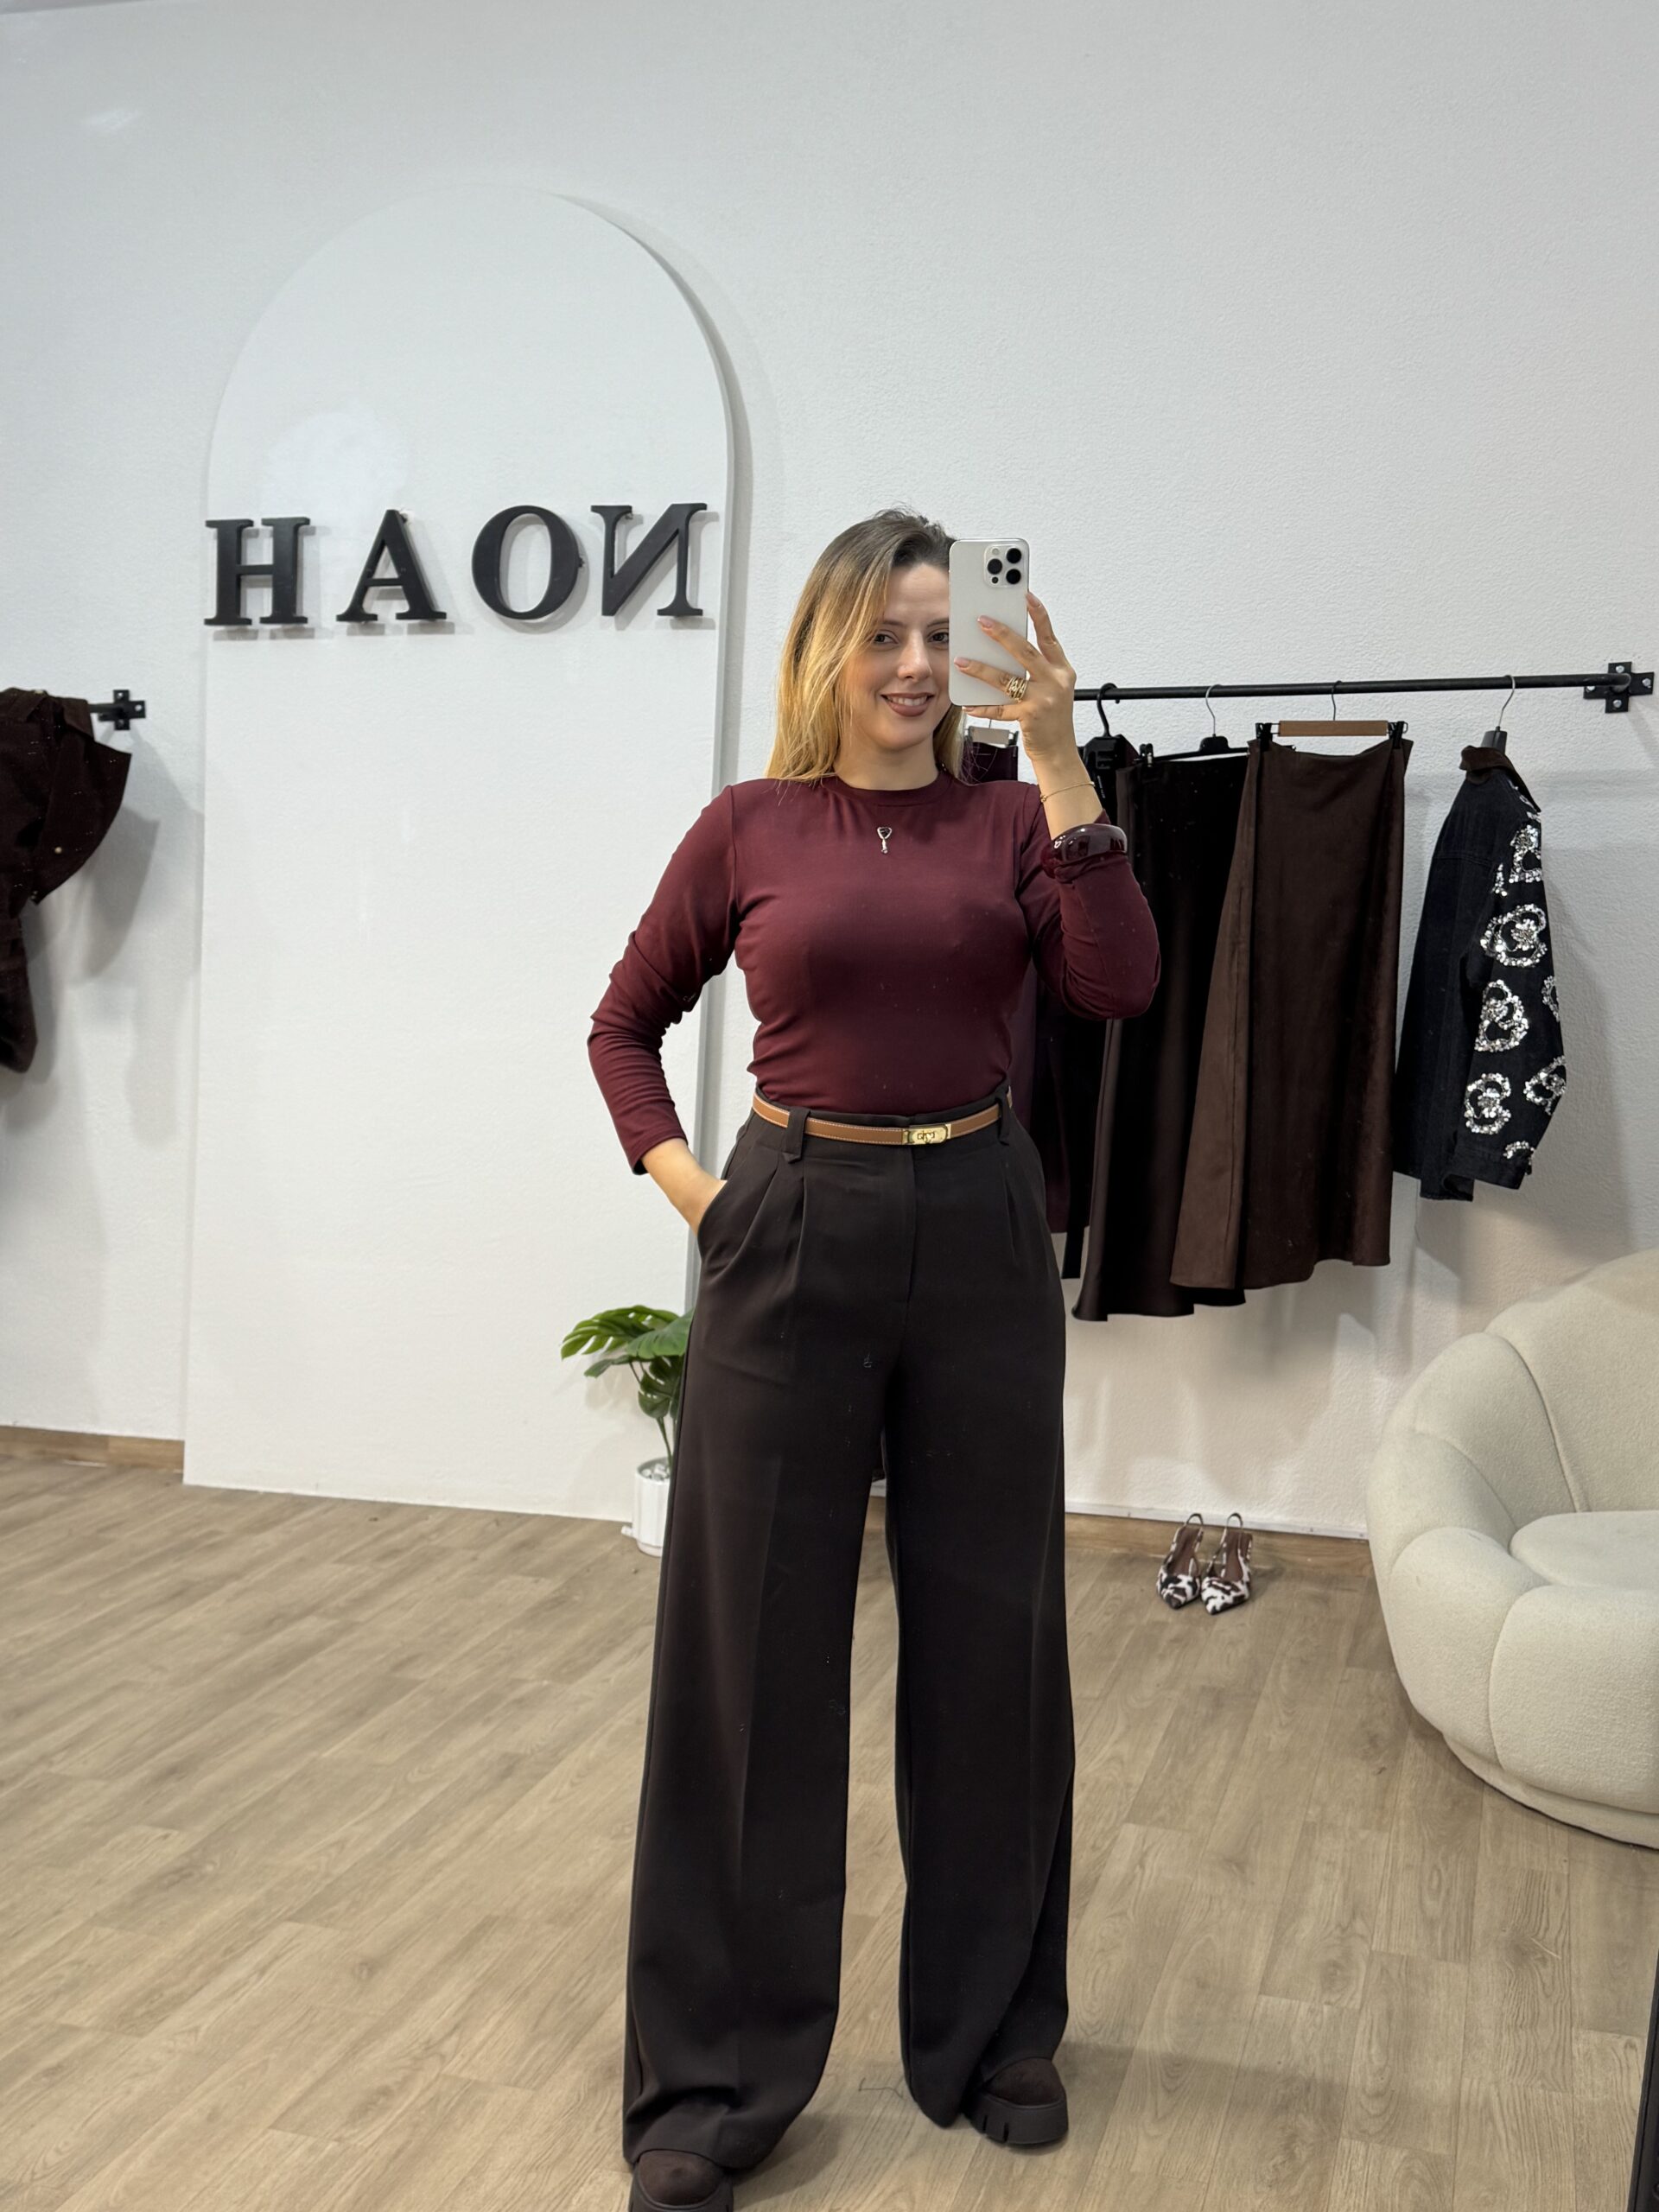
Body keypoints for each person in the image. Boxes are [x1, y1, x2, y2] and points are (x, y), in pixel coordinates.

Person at [587, 508, 1161, 2212]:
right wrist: (703, 1198)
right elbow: (623, 1023)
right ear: (828, 646)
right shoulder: (749, 825)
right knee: (747, 1662)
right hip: (791, 1219)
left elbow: (1118, 985)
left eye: (940, 634)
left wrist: (1058, 759)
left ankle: (992, 2035)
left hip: (978, 1219)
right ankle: (712, 2082)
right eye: (886, 634)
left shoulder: (1014, 819)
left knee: (995, 1643)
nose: (915, 666)